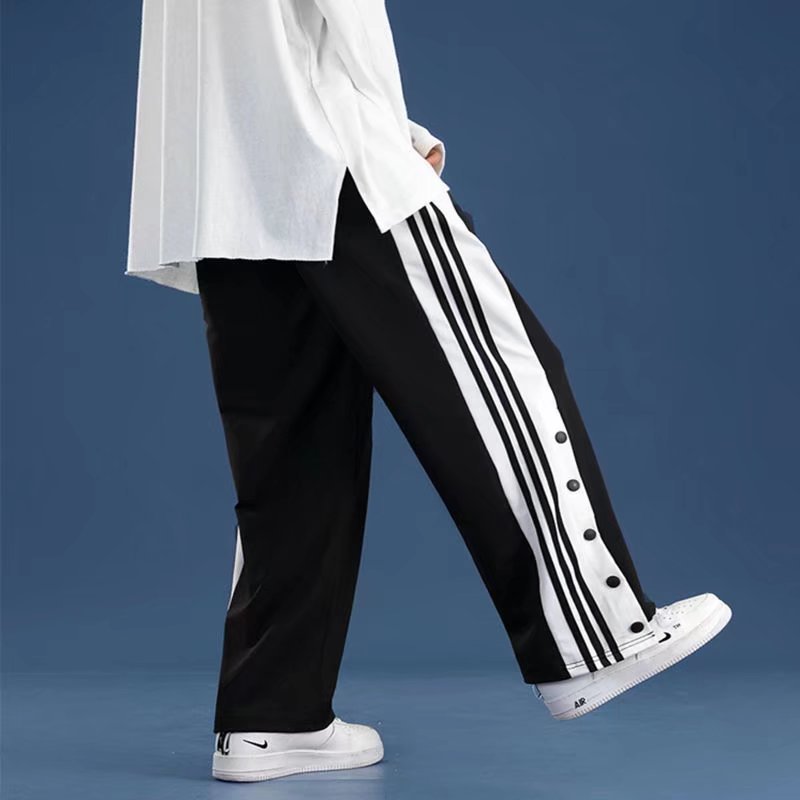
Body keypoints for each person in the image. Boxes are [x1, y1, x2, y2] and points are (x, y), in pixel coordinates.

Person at [125, 0, 732, 784]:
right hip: (328, 143)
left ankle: (272, 716)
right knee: (497, 363)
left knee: (294, 448)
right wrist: (395, 133)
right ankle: (597, 635)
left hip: (221, 169)